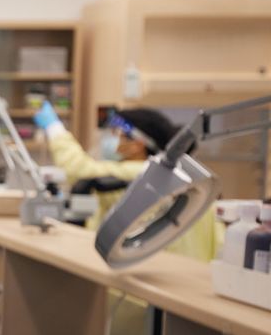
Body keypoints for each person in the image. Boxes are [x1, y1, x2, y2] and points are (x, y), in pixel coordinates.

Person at [34, 101, 221, 261]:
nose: (109, 139)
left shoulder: (148, 174)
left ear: (137, 144)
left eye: (116, 133)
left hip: (160, 270)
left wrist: (54, 128)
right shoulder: (169, 175)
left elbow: (79, 170)